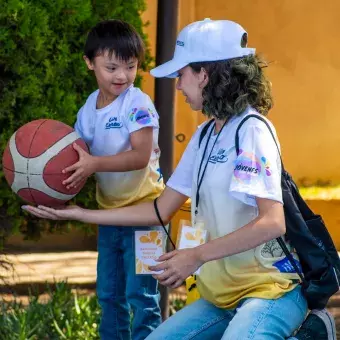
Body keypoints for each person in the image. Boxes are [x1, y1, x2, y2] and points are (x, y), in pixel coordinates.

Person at [23, 19, 336, 340]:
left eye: (181, 75)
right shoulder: (204, 135)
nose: (177, 86)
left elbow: (272, 223)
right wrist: (79, 214)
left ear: (205, 74)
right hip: (220, 297)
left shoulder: (252, 130)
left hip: (270, 290)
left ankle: (310, 333)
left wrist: (196, 255)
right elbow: (159, 210)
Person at [56, 20, 164, 340]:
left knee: (142, 297)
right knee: (109, 294)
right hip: (109, 215)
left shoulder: (138, 104)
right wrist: (70, 178)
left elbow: (141, 155)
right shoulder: (88, 109)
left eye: (130, 67)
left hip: (147, 215)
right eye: (112, 67)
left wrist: (92, 165)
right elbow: (79, 158)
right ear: (89, 63)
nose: (122, 76)